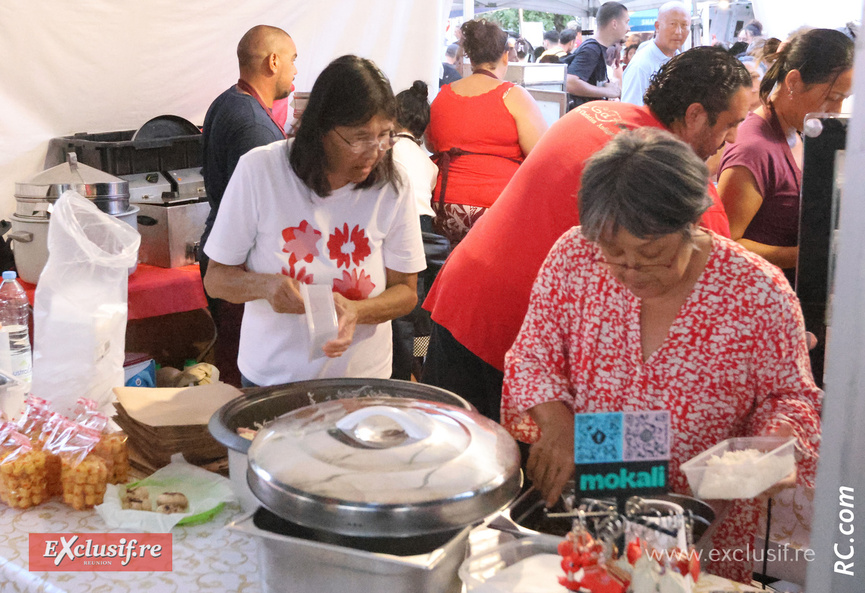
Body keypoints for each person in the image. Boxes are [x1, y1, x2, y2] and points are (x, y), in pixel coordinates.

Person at [502, 127, 821, 583]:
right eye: (614, 252)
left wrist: (773, 446)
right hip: (593, 500)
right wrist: (557, 425)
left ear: (691, 222)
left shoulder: (758, 291)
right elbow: (532, 355)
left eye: (651, 253)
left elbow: (790, 397)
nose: (631, 270)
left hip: (705, 519)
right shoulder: (574, 257)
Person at [422, 47, 751, 423]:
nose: (732, 138)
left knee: (450, 444)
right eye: (730, 124)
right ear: (695, 115)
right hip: (525, 341)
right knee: (526, 457)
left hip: (465, 291)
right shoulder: (688, 198)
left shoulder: (591, 112)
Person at [203, 55, 425, 386]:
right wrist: (266, 286)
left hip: (362, 377)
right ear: (321, 129)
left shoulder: (393, 185)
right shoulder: (261, 171)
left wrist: (357, 311)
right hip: (274, 378)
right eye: (359, 137)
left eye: (384, 135)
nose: (375, 151)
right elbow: (217, 279)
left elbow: (406, 292)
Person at [199, 25, 297, 387]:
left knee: (231, 362)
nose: (295, 70)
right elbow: (263, 211)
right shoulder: (256, 129)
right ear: (273, 62)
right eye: (293, 60)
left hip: (219, 244)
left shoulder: (227, 102)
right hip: (239, 263)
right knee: (244, 372)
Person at [718, 29, 854, 281]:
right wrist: (810, 254)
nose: (836, 110)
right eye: (832, 98)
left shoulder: (797, 129)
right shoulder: (753, 149)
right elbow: (725, 244)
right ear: (793, 82)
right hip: (762, 295)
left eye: (843, 99)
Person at [426, 18, 547, 247]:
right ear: (505, 56)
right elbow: (541, 155)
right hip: (497, 209)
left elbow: (431, 144)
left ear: (470, 58)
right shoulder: (513, 96)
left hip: (444, 208)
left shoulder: (443, 95)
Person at [389, 80, 440, 380]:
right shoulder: (428, 163)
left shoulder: (389, 151)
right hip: (427, 230)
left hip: (402, 225)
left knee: (399, 304)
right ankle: (419, 367)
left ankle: (399, 370)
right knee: (419, 307)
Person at [621, 1, 689, 106]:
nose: (678, 31)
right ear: (657, 26)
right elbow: (630, 111)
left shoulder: (681, 60)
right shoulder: (640, 66)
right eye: (673, 24)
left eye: (684, 25)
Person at [565, 2, 630, 109]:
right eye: (626, 22)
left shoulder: (597, 49)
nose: (628, 28)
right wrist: (606, 91)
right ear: (614, 24)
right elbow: (570, 83)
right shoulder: (591, 49)